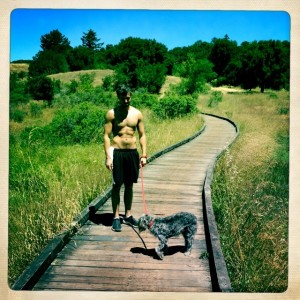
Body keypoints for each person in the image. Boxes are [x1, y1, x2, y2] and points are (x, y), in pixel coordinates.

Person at [104, 84, 147, 232]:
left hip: (132, 153)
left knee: (129, 184)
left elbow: (142, 135)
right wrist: (108, 157)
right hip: (118, 152)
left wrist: (144, 155)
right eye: (123, 98)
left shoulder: (137, 114)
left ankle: (128, 215)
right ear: (118, 97)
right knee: (117, 185)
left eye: (128, 97)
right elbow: (106, 136)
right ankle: (116, 217)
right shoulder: (112, 114)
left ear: (130, 96)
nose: (126, 100)